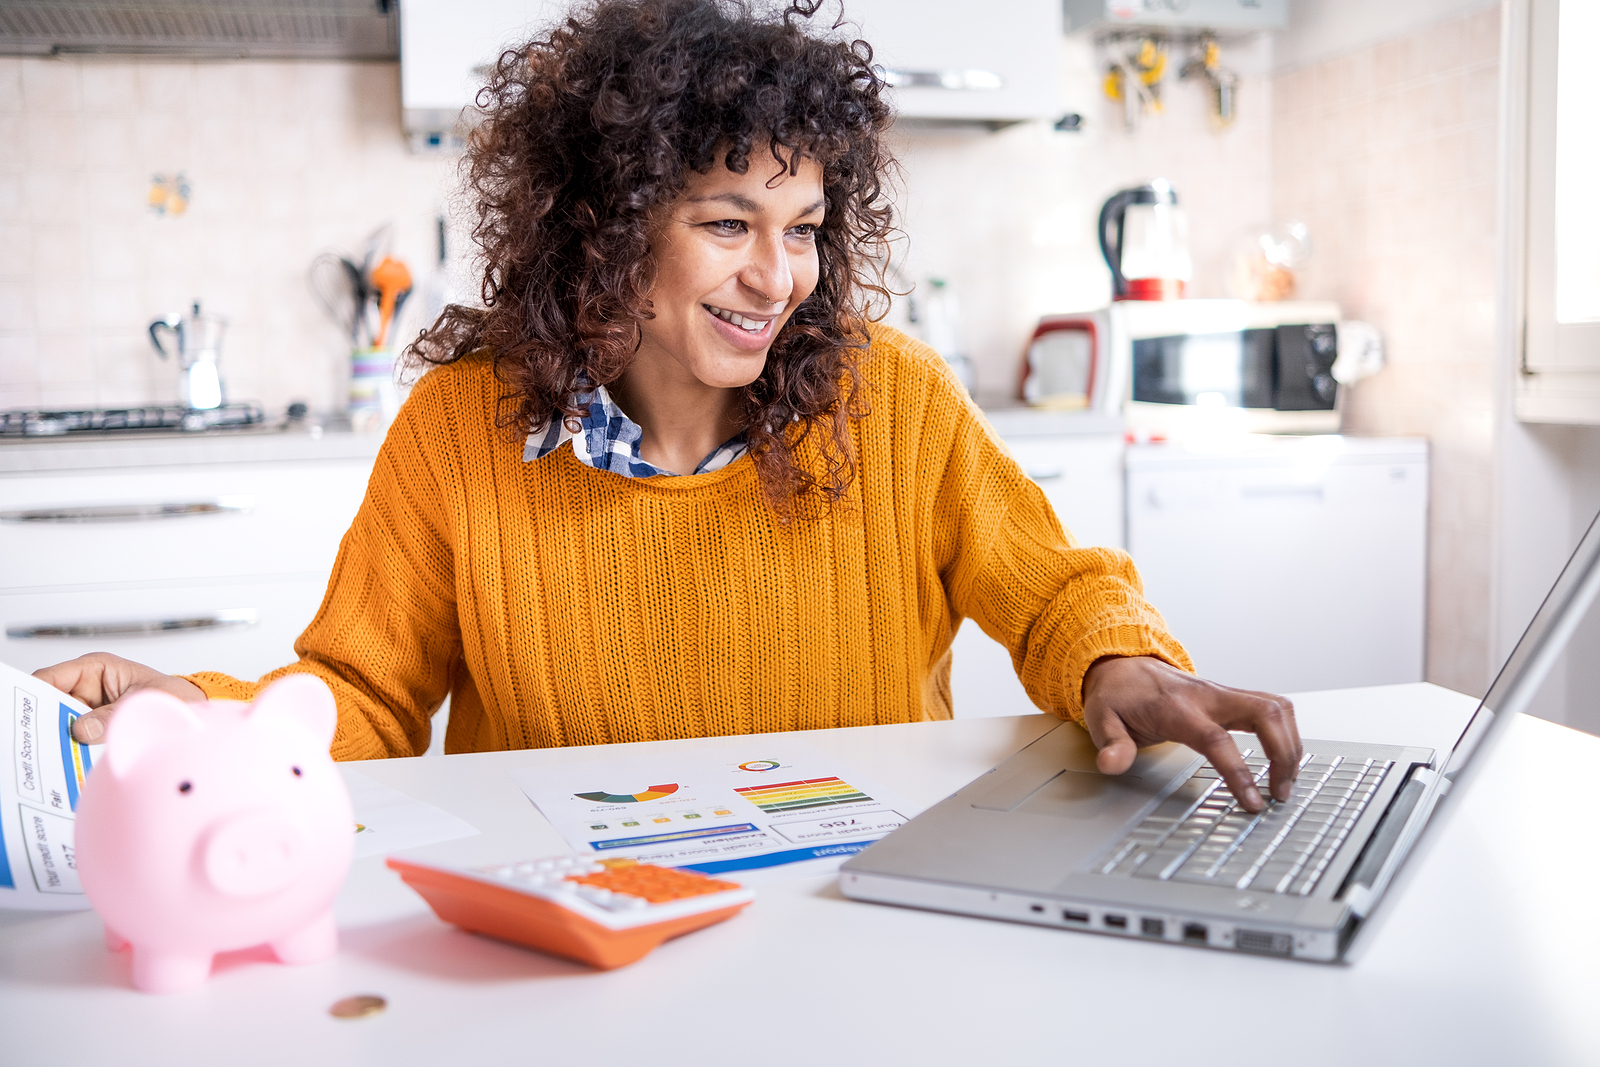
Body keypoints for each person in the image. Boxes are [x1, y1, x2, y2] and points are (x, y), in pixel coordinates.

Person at [37, 0, 1300, 812]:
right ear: (604, 233)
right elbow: (357, 695)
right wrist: (202, 716)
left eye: (802, 228)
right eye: (724, 223)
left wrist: (1116, 658)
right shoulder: (460, 431)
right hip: (562, 917)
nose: (776, 275)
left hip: (852, 897)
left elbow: (1051, 584)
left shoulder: (889, 398)